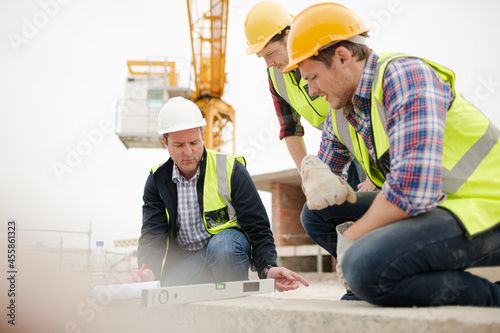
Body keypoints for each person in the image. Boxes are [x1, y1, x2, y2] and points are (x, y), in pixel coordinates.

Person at [285, 2, 500, 307]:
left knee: (363, 265)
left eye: (313, 77)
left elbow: (412, 191)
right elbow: (325, 187)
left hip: (486, 208)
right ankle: (389, 269)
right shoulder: (341, 113)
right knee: (316, 214)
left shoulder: (403, 75)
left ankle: (491, 298)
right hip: (440, 207)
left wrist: (353, 239)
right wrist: (313, 170)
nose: (312, 91)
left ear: (343, 57)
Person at [130, 96, 309, 293]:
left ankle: (236, 304)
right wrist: (149, 270)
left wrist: (267, 268)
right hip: (187, 262)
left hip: (226, 252)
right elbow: (152, 233)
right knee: (168, 296)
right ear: (165, 141)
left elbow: (257, 226)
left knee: (223, 245)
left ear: (203, 135)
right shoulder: (157, 180)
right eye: (179, 145)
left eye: (194, 142)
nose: (188, 151)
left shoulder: (230, 169)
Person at [244, 1, 374, 192]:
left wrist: (375, 172)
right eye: (262, 57)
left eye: (271, 53)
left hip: (366, 138)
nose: (269, 63)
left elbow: (367, 101)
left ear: (289, 35)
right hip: (335, 142)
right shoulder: (275, 76)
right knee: (334, 209)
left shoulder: (321, 50)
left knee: (373, 201)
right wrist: (307, 176)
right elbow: (290, 128)